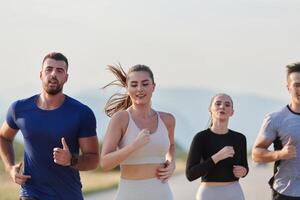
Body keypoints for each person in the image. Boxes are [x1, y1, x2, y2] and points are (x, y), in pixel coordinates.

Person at [0, 52, 100, 200]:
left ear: (66, 78)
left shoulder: (81, 113)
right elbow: (3, 137)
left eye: (59, 71)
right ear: (41, 74)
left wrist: (71, 160)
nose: (53, 74)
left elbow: (93, 159)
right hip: (31, 194)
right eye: (49, 69)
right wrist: (9, 168)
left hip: (68, 195)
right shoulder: (19, 108)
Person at [100, 64, 176, 200]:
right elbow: (105, 163)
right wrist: (134, 146)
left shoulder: (168, 120)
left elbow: (171, 145)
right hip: (130, 194)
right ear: (127, 89)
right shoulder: (120, 119)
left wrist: (172, 162)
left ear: (153, 87)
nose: (139, 89)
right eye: (134, 85)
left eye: (145, 84)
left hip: (163, 194)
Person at [186, 93, 248, 200]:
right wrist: (217, 157)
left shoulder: (240, 138)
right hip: (208, 194)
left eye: (227, 105)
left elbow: (244, 166)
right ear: (210, 109)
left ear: (232, 112)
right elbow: (190, 174)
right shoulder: (201, 138)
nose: (222, 107)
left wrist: (244, 171)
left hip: (234, 192)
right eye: (218, 104)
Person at [252, 62, 300, 200]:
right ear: (288, 88)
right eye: (297, 85)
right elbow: (256, 154)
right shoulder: (276, 118)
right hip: (286, 192)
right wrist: (280, 154)